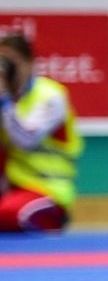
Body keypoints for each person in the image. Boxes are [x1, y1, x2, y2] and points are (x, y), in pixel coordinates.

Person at [0, 32, 81, 232]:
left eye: (11, 63)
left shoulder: (50, 96)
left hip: (47, 190)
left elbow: (26, 140)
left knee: (7, 214)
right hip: (11, 188)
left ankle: (51, 218)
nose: (5, 70)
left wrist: (4, 101)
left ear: (29, 63)